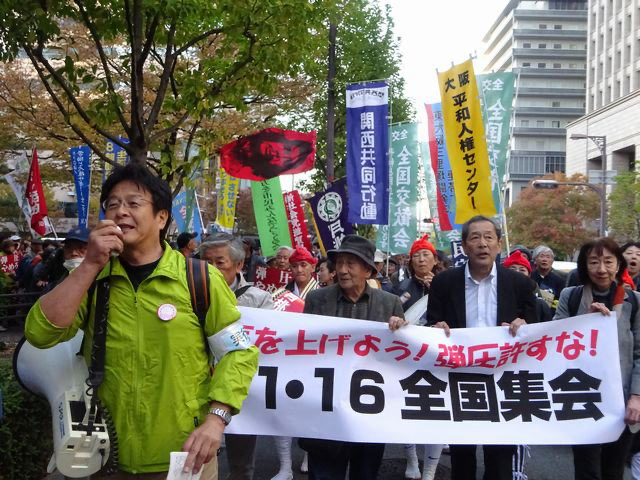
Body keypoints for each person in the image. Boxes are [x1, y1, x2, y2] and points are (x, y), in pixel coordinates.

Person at [25, 163, 258, 478]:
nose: (121, 212)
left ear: (161, 217)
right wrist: (89, 264)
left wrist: (216, 420)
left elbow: (238, 352)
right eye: (113, 204)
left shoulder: (199, 278)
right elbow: (40, 334)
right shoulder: (92, 277)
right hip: (104, 458)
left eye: (134, 203)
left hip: (184, 458)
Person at [427, 215, 537, 480]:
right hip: (458, 379)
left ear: (499, 243)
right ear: (464, 246)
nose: (482, 244)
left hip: (503, 380)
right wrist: (435, 328)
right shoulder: (444, 283)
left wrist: (525, 325)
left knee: (500, 459)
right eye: (475, 237)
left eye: (489, 237)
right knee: (462, 457)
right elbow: (432, 323)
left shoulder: (520, 284)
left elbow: (537, 327)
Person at [299, 234, 405, 480]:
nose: (343, 270)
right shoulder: (317, 299)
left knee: (365, 473)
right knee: (324, 475)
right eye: (339, 263)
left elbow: (400, 354)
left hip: (370, 409)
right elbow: (303, 346)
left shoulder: (389, 303)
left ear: (368, 270)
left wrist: (401, 328)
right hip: (327, 406)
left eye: (351, 264)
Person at [554, 238, 640, 480]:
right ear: (584, 266)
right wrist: (585, 322)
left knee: (613, 469)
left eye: (608, 262)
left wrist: (636, 396)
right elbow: (554, 340)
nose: (601, 269)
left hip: (622, 400)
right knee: (586, 469)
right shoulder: (571, 296)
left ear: (618, 265)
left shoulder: (634, 301)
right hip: (582, 395)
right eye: (594, 262)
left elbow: (639, 353)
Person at [200, 237, 273, 480]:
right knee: (196, 455)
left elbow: (267, 344)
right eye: (206, 262)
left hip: (241, 389)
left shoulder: (259, 299)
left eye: (219, 262)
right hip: (197, 387)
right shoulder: (189, 291)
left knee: (241, 463)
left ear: (239, 264)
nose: (211, 269)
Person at [395, 235, 440, 319]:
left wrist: (436, 289)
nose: (421, 259)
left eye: (425, 254)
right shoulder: (400, 287)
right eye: (416, 256)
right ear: (411, 262)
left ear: (435, 260)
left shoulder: (446, 286)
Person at [502, 250, 553, 322]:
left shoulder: (539, 304)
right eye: (512, 269)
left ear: (529, 275)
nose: (517, 273)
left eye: (522, 270)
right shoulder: (495, 299)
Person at [36, 227, 90, 292]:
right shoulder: (52, 288)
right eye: (69, 248)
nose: (74, 253)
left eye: (81, 248)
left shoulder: (99, 284)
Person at [531, 245, 566, 309]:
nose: (545, 259)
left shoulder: (560, 279)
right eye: (541, 256)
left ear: (552, 261)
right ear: (535, 260)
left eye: (548, 257)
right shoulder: (529, 277)